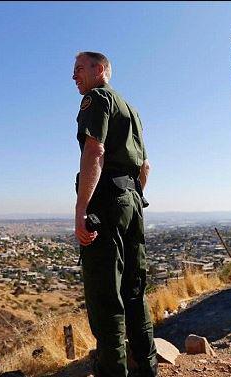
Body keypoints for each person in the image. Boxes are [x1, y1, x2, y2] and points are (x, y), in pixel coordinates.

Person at [72, 51, 157, 377]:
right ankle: (147, 369)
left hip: (106, 202)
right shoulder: (131, 110)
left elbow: (95, 150)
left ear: (100, 69)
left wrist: (82, 209)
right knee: (135, 293)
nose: (74, 76)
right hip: (132, 201)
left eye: (79, 68)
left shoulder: (96, 99)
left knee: (106, 299)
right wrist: (133, 197)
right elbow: (145, 165)